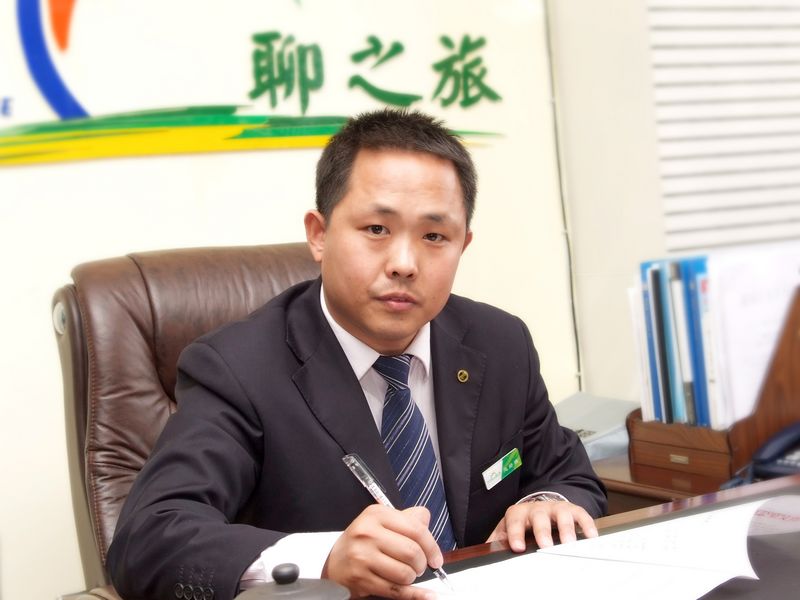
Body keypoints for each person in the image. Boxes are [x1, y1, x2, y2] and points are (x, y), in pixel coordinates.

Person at [107, 108, 606, 600]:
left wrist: (549, 502)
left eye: (434, 236)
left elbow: (568, 473)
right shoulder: (238, 369)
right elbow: (148, 540)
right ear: (319, 234)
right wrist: (322, 561)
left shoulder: (499, 342)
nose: (404, 264)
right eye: (376, 230)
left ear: (463, 245)